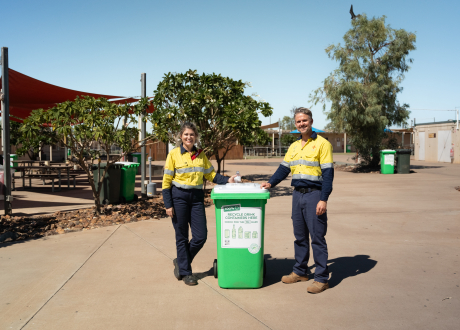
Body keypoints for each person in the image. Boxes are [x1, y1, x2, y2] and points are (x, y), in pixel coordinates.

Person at [260, 107, 334, 294]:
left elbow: (328, 175)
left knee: (317, 237)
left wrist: (323, 199)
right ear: (295, 124)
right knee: (299, 236)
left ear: (311, 121)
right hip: (297, 195)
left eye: (305, 120)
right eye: (298, 121)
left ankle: (321, 278)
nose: (302, 124)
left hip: (314, 195)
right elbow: (284, 169)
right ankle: (300, 271)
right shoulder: (293, 146)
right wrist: (271, 183)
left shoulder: (323, 144)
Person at [162, 122, 236, 286]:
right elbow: (166, 182)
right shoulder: (173, 154)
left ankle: (180, 261)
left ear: (195, 137)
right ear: (181, 136)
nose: (189, 137)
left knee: (200, 236)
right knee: (181, 237)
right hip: (178, 197)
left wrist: (227, 180)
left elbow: (212, 176)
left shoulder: (201, 155)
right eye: (186, 134)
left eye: (192, 135)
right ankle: (186, 272)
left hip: (196, 198)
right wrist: (168, 205)